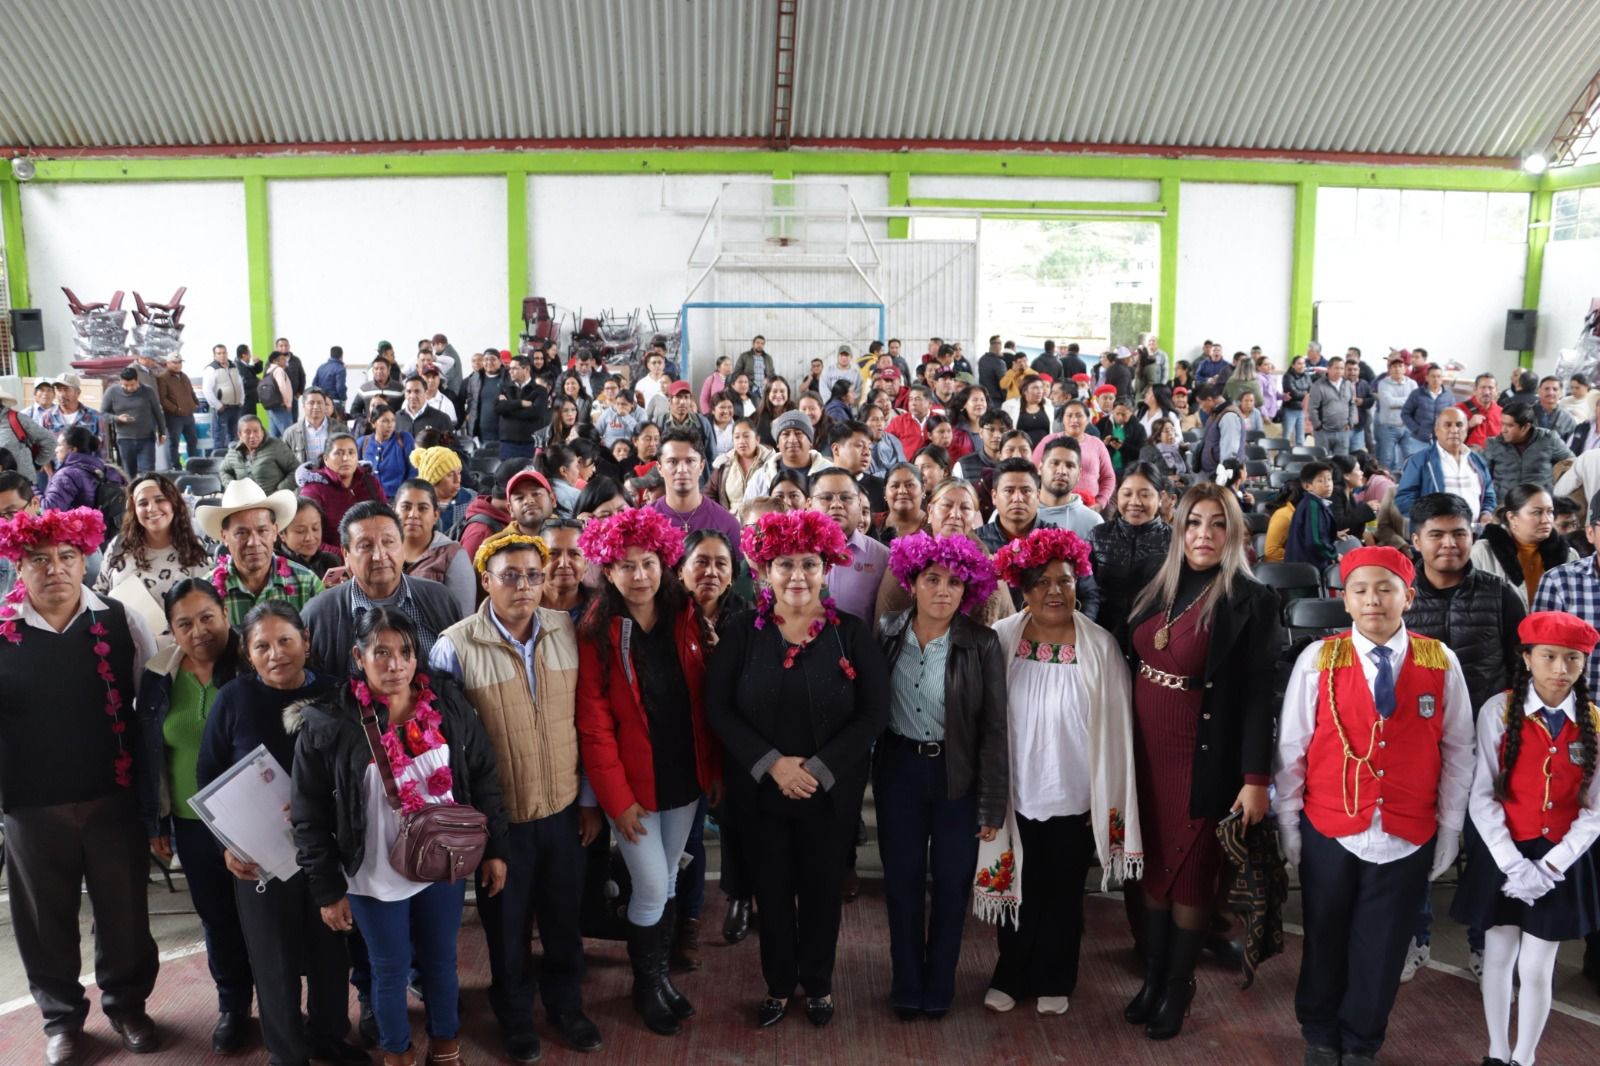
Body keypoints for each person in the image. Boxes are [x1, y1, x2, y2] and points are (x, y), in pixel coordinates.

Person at [1275, 546, 1473, 1066]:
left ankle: (1362, 1040)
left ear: (1408, 596)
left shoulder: (1439, 660)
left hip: (1408, 830)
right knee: (1325, 933)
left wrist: (1450, 829)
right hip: (1330, 825)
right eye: (1359, 590)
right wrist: (1290, 825)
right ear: (1343, 600)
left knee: (1383, 946)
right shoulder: (1319, 658)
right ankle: (1319, 1032)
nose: (1372, 601)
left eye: (1385, 589)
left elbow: (1458, 751)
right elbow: (1292, 747)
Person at [289, 607, 509, 1066]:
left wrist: (495, 849)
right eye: (381, 653)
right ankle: (397, 1054)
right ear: (358, 656)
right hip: (373, 875)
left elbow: (484, 775)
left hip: (443, 863)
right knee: (387, 969)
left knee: (440, 961)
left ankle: (445, 1045)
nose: (395, 665)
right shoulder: (331, 724)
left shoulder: (447, 703)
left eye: (405, 653)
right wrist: (328, 889)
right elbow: (307, 814)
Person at [706, 510, 889, 1029]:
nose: (797, 575)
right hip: (760, 792)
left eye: (809, 563)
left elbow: (873, 713)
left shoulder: (849, 635)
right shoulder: (742, 633)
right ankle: (779, 984)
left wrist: (819, 768)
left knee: (821, 893)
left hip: (829, 795)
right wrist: (772, 765)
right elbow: (719, 709)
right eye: (784, 564)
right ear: (765, 570)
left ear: (826, 567)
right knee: (771, 890)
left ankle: (820, 983)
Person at [427, 527, 604, 1060]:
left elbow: (588, 720)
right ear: (486, 581)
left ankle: (567, 1007)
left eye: (534, 575)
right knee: (505, 929)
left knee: (563, 920)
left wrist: (590, 799)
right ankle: (515, 1017)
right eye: (510, 577)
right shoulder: (454, 646)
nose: (524, 587)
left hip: (564, 808)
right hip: (498, 820)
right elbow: (444, 748)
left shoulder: (566, 630)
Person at [0, 507, 161, 1065]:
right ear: (17, 569)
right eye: (38, 560)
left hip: (110, 796)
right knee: (44, 921)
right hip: (30, 803)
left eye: (67, 556)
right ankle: (62, 1020)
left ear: (85, 558)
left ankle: (127, 1005)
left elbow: (147, 710)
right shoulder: (1, 631)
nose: (55, 570)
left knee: (124, 913)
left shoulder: (121, 620)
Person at [1120, 483, 1280, 1040]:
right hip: (1143, 753)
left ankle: (1177, 985)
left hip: (1200, 755)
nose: (1203, 535)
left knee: (1189, 878)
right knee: (1154, 872)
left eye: (1217, 524)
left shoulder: (1251, 598)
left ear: (1233, 533)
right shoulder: (1156, 585)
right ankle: (1154, 975)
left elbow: (1261, 696)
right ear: (1178, 528)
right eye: (1193, 523)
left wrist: (1256, 780)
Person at [976, 528, 1139, 1018]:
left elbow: (1117, 728)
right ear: (1023, 590)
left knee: (1063, 893)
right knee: (1017, 888)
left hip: (1074, 793)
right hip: (1016, 791)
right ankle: (1012, 972)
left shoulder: (1101, 648)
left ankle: (1055, 975)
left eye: (1064, 581)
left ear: (1078, 584)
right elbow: (982, 721)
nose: (1054, 592)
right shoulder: (1000, 640)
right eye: (1042, 582)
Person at [193, 601, 364, 1065]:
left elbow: (359, 770)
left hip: (326, 851)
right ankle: (286, 1052)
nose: (276, 654)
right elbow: (208, 777)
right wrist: (225, 843)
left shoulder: (337, 694)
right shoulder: (234, 699)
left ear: (306, 641)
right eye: (262, 646)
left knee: (331, 952)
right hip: (258, 857)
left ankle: (329, 1037)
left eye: (285, 641)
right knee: (273, 961)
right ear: (248, 654)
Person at [574, 508, 720, 1037]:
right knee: (653, 885)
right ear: (608, 572)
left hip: (685, 778)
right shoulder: (596, 631)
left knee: (666, 878)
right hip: (633, 787)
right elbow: (594, 728)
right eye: (626, 565)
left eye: (649, 562)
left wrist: (714, 770)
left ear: (665, 561)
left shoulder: (687, 613)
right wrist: (615, 799)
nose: (640, 575)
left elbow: (706, 701)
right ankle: (645, 986)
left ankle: (657, 981)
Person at [1452, 612, 1600, 1066]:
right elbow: (1482, 795)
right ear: (1527, 658)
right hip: (1505, 853)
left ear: (1584, 663)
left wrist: (1553, 866)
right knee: (1498, 958)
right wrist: (1513, 864)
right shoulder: (1498, 710)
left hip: (1560, 859)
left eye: (1572, 659)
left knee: (1537, 967)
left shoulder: (1594, 719)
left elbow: (1595, 809)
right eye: (1549, 657)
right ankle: (1497, 1052)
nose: (1560, 669)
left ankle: (1526, 1056)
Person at [874, 533, 1007, 1018]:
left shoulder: (982, 643)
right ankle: (907, 984)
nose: (944, 591)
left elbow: (994, 729)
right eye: (932, 579)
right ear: (912, 582)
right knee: (902, 883)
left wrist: (992, 804)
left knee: (951, 886)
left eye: (955, 581)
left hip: (959, 778)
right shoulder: (887, 632)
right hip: (900, 773)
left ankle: (939, 986)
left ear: (968, 588)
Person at [1398, 493, 1528, 980]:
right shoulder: (1399, 592)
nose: (1449, 544)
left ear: (1473, 535)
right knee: (1414, 845)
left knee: (1488, 849)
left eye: (1459, 533)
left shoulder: (1499, 593)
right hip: (1416, 745)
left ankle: (1483, 947)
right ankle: (1415, 938)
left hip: (1486, 746)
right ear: (1416, 539)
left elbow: (1522, 668)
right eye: (1436, 534)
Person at [133, 580, 254, 1054]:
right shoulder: (159, 674)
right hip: (191, 823)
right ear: (171, 631)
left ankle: (285, 1004)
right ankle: (233, 1006)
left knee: (267, 918)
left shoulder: (254, 661)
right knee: (216, 918)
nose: (199, 630)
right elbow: (151, 755)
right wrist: (157, 822)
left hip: (254, 819)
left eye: (207, 617)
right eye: (184, 623)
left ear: (225, 614)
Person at [302, 500, 462, 677]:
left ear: (402, 546)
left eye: (388, 542)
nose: (379, 556)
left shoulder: (440, 599)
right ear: (346, 554)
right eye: (365, 546)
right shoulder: (319, 614)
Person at [196, 480, 325, 624]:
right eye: (241, 533)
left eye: (262, 531)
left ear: (275, 531)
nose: (254, 542)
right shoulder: (206, 592)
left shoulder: (308, 584)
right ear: (224, 536)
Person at [95, 474, 215, 627]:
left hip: (175, 647)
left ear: (173, 503)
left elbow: (204, 608)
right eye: (143, 503)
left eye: (160, 500)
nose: (151, 508)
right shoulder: (119, 545)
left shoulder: (193, 549)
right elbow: (100, 592)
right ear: (134, 510)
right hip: (122, 642)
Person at [1089, 463, 1171, 637]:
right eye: (1127, 494)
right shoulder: (1098, 535)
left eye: (1145, 495)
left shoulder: (1175, 540)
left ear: (1161, 497)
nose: (1135, 502)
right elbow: (1087, 591)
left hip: (1154, 638)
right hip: (1103, 635)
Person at [1468, 484, 1578, 610]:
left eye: (1550, 512)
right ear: (1512, 518)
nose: (1546, 519)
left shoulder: (1568, 555)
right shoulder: (1482, 553)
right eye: (1537, 512)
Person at [1394, 406, 1496, 523]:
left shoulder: (1477, 460)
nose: (1454, 430)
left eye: (1459, 425)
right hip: (1436, 535)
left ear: (1466, 429)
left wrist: (1486, 513)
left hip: (1474, 534)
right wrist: (1431, 518)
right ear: (1436, 430)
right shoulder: (1419, 461)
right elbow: (1404, 499)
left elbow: (1489, 494)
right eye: (1448, 425)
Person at [394, 479, 475, 616]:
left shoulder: (452, 555)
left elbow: (463, 620)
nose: (413, 515)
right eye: (406, 507)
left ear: (436, 515)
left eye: (423, 508)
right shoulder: (384, 552)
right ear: (393, 511)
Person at [650, 430, 743, 544]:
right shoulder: (644, 522)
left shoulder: (727, 524)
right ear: (659, 468)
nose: (682, 470)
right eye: (673, 462)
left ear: (701, 466)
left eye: (690, 461)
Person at [299, 432, 388, 537]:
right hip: (333, 552)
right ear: (326, 459)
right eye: (339, 453)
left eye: (351, 453)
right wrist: (345, 553)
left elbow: (386, 521)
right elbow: (309, 539)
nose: (346, 458)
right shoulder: (313, 490)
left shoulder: (370, 482)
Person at [1485, 401, 1573, 499]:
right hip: (1504, 505)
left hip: (1540, 504)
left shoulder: (1548, 439)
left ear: (1526, 427)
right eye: (1502, 424)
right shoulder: (1494, 444)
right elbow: (1483, 478)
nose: (1503, 430)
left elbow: (1571, 464)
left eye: (1509, 426)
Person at [42, 424, 125, 513]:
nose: (56, 449)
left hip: (77, 526)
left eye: (59, 445)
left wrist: (33, 488)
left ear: (73, 449)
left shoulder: (66, 475)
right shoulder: (110, 471)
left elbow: (49, 511)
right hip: (108, 526)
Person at [102, 366, 167, 475]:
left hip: (146, 438)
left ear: (137, 380)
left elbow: (158, 412)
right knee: (129, 473)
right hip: (125, 439)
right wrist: (117, 418)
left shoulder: (147, 391)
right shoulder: (112, 392)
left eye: (132, 385)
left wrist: (162, 432)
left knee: (148, 472)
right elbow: (103, 414)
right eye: (125, 385)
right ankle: (132, 492)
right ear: (120, 381)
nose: (129, 388)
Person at [1034, 436, 1104, 538]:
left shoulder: (1093, 522)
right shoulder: (1022, 514)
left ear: (1079, 474)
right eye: (1054, 463)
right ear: (1040, 468)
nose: (1062, 471)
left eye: (1070, 465)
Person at [221, 413, 299, 493]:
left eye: (256, 431)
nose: (252, 435)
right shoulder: (234, 452)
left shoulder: (275, 446)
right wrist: (232, 488)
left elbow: (296, 470)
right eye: (247, 432)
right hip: (246, 503)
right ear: (240, 435)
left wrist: (279, 490)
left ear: (262, 431)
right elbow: (224, 471)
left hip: (274, 502)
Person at [411, 444, 474, 540]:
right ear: (433, 480)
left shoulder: (472, 500)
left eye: (458, 473)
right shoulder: (413, 504)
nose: (457, 480)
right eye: (450, 475)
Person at [1285, 461, 1339, 568]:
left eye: (1329, 479)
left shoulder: (1315, 502)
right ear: (1307, 486)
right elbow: (1314, 541)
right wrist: (1334, 555)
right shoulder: (1312, 505)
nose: (1327, 484)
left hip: (1308, 565)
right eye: (1320, 481)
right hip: (1306, 567)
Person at [356, 407, 416, 500]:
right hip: (368, 500)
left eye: (393, 421)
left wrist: (406, 496)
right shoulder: (362, 443)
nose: (390, 425)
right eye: (385, 421)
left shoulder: (404, 439)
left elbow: (414, 471)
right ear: (373, 423)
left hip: (397, 499)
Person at [156, 354, 200, 469]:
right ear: (168, 363)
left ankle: (193, 465)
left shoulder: (184, 376)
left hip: (189, 415)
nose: (177, 365)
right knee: (174, 443)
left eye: (179, 362)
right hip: (174, 417)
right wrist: (175, 409)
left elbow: (191, 392)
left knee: (192, 441)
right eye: (174, 362)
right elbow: (163, 399)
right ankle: (176, 467)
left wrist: (195, 403)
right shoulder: (163, 378)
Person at [280, 496, 341, 577]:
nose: (310, 537)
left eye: (315, 529)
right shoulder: (275, 567)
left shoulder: (330, 562)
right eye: (300, 531)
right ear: (282, 534)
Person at [282, 387, 343, 470]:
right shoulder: (291, 433)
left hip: (333, 479)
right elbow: (283, 464)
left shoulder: (340, 429)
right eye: (311, 403)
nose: (316, 406)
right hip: (302, 480)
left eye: (320, 403)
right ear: (303, 406)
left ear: (325, 405)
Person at [1306, 356, 1356, 457]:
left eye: (1342, 368)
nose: (1339, 371)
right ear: (1328, 369)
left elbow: (1352, 404)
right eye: (1336, 368)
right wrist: (1318, 426)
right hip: (1323, 432)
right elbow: (1312, 408)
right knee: (1323, 463)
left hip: (1343, 431)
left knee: (1342, 464)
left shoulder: (1348, 385)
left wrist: (1350, 422)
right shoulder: (1318, 385)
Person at [873, 463, 926, 544]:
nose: (902, 491)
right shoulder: (871, 522)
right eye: (895, 486)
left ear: (923, 490)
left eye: (909, 485)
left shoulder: (934, 526)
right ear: (885, 493)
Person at [1462, 373, 1504, 451]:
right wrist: (1469, 424)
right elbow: (1445, 435)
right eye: (1483, 387)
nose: (1487, 392)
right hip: (1469, 458)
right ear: (1475, 389)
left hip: (1496, 458)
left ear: (1496, 391)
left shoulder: (1502, 413)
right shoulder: (1459, 410)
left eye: (1490, 388)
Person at [261, 349, 297, 437]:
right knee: (288, 432)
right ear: (275, 361)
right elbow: (282, 387)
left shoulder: (268, 371)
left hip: (272, 406)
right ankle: (289, 450)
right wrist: (287, 403)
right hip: (281, 406)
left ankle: (273, 450)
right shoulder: (278, 370)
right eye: (282, 359)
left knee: (274, 434)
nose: (285, 361)